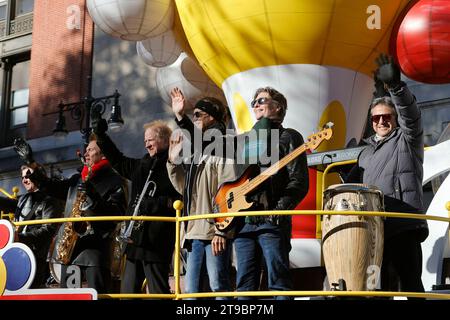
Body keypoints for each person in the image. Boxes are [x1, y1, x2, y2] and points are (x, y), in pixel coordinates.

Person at [346, 54, 429, 297]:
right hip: (373, 231)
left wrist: (396, 87)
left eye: (386, 117)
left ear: (395, 119)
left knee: (411, 285)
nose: (381, 121)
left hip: (403, 223)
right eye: (376, 118)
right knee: (376, 290)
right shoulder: (364, 152)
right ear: (371, 122)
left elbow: (411, 116)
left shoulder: (408, 139)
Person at [233, 87, 309, 299]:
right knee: (244, 287)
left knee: (278, 284)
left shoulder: (289, 136)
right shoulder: (246, 140)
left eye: (262, 100)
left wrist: (278, 211)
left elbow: (299, 181)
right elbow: (236, 181)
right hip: (244, 222)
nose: (255, 104)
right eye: (254, 102)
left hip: (272, 220)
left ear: (278, 107)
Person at [25, 135, 127, 293]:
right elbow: (51, 187)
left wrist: (94, 197)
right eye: (85, 150)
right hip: (70, 250)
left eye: (91, 150)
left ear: (103, 154)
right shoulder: (77, 179)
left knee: (97, 295)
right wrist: (31, 164)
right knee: (69, 296)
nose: (86, 154)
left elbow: (117, 215)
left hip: (96, 251)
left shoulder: (115, 180)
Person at [92, 118, 181, 295]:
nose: (146, 144)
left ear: (164, 140)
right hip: (134, 240)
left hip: (156, 241)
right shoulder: (142, 164)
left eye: (150, 140)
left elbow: (178, 198)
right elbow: (117, 160)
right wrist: (101, 136)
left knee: (158, 292)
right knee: (128, 293)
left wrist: (153, 204)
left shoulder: (174, 166)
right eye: (145, 141)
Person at [167, 87, 236, 299]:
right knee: (191, 291)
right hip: (194, 231)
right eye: (192, 115)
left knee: (218, 286)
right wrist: (172, 161)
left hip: (214, 230)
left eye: (198, 114)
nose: (194, 118)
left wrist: (222, 230)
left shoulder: (224, 144)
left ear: (213, 118)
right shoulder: (198, 151)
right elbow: (183, 189)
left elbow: (230, 191)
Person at [13, 165, 63, 288]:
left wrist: (21, 238)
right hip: (17, 254)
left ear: (37, 177)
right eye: (23, 177)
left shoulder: (50, 200)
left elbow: (48, 230)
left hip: (35, 256)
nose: (25, 180)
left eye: (28, 176)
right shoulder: (23, 199)